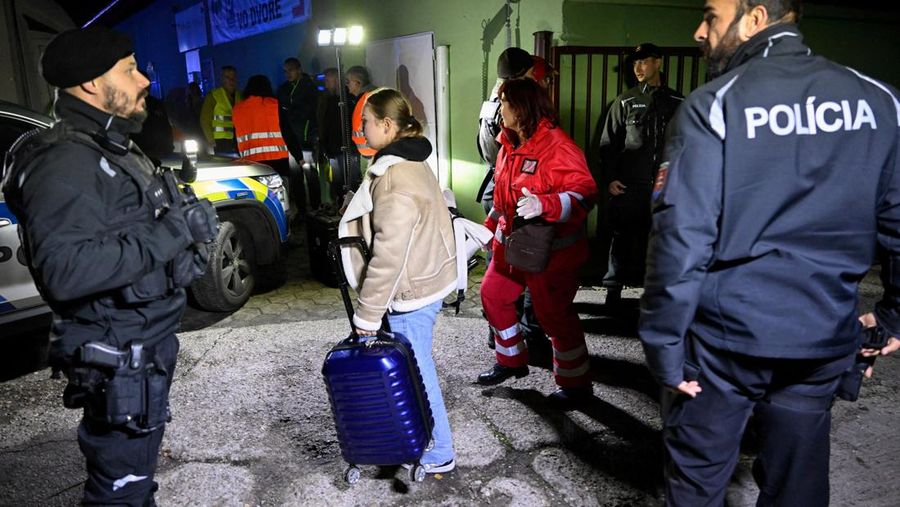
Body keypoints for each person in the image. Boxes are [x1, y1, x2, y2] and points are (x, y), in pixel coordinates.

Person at [638, 0, 900, 505]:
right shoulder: (880, 101)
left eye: (710, 16)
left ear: (755, 18)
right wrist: (892, 318)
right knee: (797, 486)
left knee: (695, 483)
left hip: (724, 345)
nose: (699, 32)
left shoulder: (715, 105)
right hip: (822, 338)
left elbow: (680, 239)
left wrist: (664, 347)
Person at [1, 26, 216, 505]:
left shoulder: (109, 145)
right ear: (92, 83)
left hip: (142, 345)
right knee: (118, 491)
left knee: (134, 481)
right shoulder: (65, 160)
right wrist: (173, 232)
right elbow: (64, 271)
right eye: (130, 70)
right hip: (118, 354)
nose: (144, 80)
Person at [337, 87, 458, 473]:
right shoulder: (412, 158)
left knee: (418, 371)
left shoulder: (393, 176)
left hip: (412, 290)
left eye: (367, 122)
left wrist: (367, 315)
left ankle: (439, 451)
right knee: (413, 366)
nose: (362, 129)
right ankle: (419, 438)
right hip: (427, 278)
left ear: (387, 125)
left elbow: (389, 256)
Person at [476, 78, 598, 408]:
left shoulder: (558, 147)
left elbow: (585, 193)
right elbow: (502, 197)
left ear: (522, 108)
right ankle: (511, 360)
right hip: (513, 246)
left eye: (505, 103)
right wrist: (487, 228)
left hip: (553, 253)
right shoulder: (509, 143)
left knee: (553, 316)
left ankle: (576, 385)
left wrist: (547, 204)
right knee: (493, 295)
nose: (500, 110)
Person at [476, 48, 552, 360]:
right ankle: (530, 335)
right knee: (528, 265)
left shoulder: (491, 102)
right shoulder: (517, 107)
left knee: (501, 264)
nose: (537, 77)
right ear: (522, 74)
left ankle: (499, 332)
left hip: (495, 188)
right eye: (532, 72)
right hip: (514, 194)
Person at [597, 43, 684, 307]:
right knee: (621, 239)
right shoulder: (625, 102)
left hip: (666, 186)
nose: (637, 68)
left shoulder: (678, 102)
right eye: (635, 63)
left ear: (658, 62)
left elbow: (688, 145)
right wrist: (610, 178)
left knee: (662, 240)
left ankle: (658, 294)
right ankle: (613, 291)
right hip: (631, 185)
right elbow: (608, 144)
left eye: (643, 61)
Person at [277, 57, 321, 212]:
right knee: (296, 178)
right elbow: (281, 110)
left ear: (299, 70)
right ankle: (302, 210)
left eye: (290, 70)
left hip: (306, 139)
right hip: (292, 141)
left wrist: (289, 110)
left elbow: (308, 111)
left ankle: (316, 208)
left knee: (310, 176)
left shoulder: (309, 87)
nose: (287, 74)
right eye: (285, 71)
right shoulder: (283, 89)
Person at [232, 75, 290, 188]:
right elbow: (287, 132)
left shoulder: (237, 109)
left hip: (251, 162)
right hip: (278, 161)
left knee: (258, 192)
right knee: (280, 192)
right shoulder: (275, 105)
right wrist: (298, 156)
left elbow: (235, 139)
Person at [318, 67, 362, 204]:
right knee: (338, 182)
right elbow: (326, 125)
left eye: (328, 80)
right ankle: (340, 207)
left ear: (337, 80)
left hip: (348, 149)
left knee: (351, 182)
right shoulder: (329, 100)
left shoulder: (349, 100)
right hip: (334, 149)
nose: (326, 84)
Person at [200, 65, 242, 154]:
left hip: (238, 139)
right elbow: (205, 120)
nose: (231, 80)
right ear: (222, 79)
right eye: (228, 77)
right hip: (220, 140)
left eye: (233, 77)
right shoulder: (213, 96)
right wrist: (211, 140)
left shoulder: (240, 96)